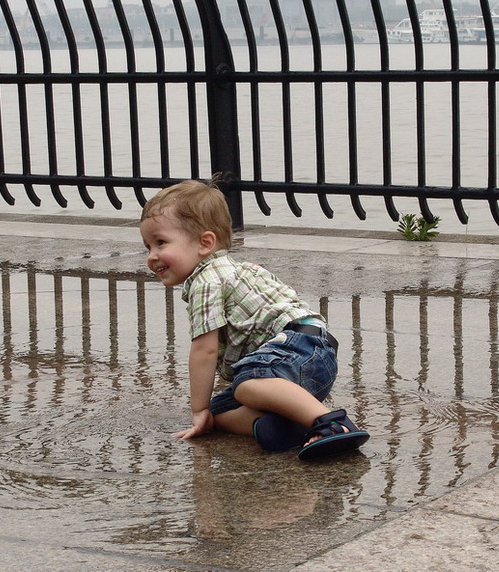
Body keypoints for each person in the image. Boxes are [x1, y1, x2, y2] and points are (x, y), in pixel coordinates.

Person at [139, 179, 369, 460]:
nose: (152, 256)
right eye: (148, 246)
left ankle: (332, 423)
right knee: (219, 412)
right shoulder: (240, 270)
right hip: (312, 365)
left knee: (245, 386)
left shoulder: (205, 281)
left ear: (205, 242)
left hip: (297, 351)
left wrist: (197, 409)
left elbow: (205, 350)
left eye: (161, 243)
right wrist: (207, 412)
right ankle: (292, 425)